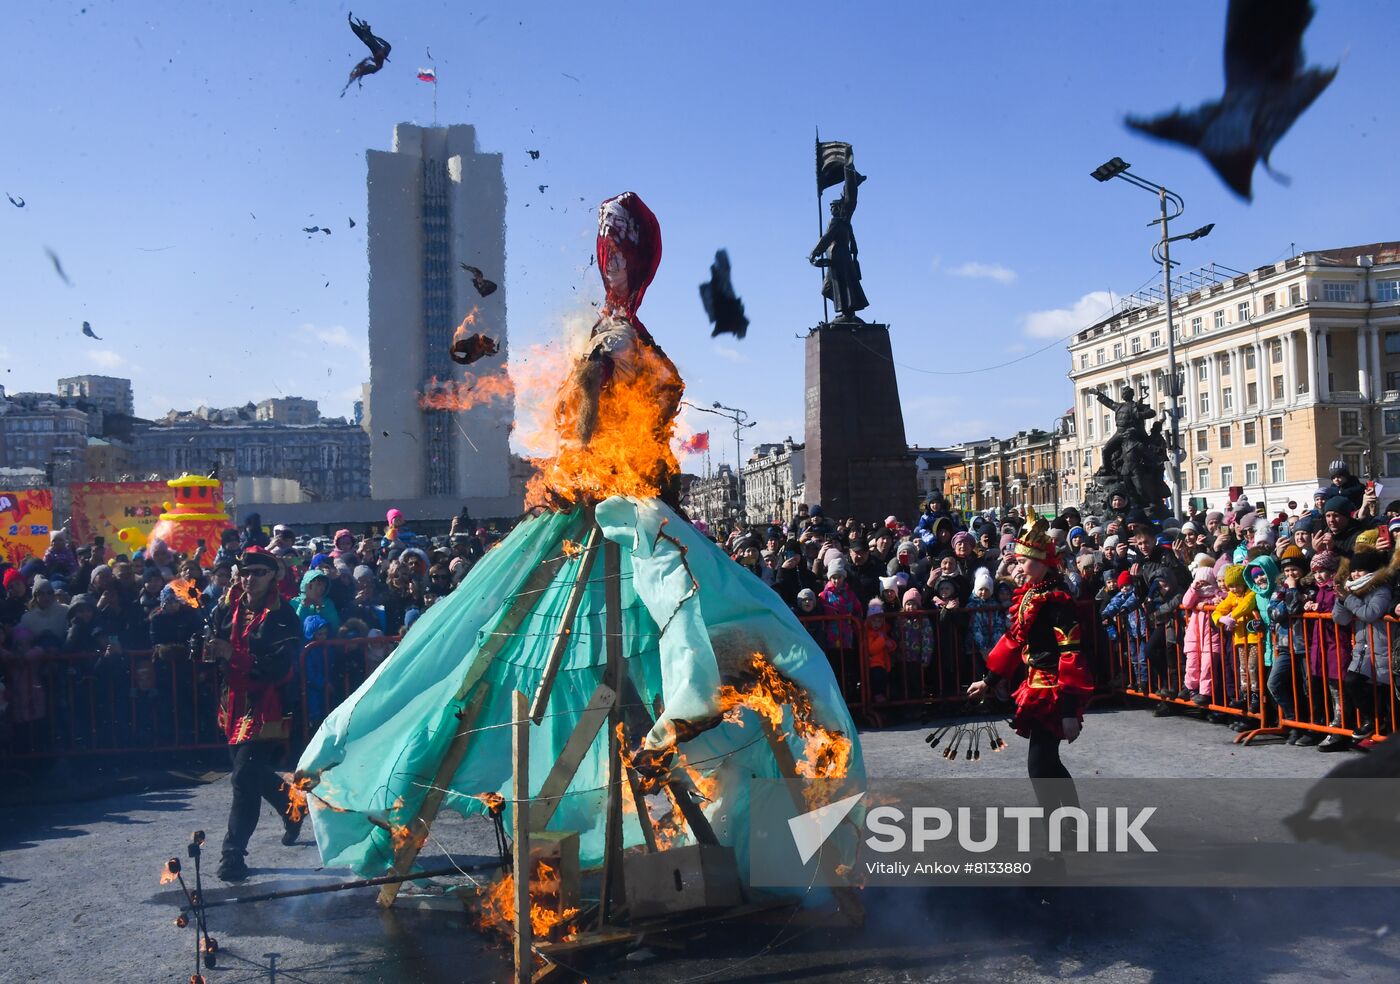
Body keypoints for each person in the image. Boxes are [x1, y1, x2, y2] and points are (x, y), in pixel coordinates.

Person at [967, 516, 1093, 788]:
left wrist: (1069, 711)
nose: (1019, 566)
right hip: (1035, 683)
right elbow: (1013, 641)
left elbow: (1071, 655)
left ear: (1041, 563)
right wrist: (988, 681)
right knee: (1045, 765)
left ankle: (1066, 825)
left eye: (1024, 561)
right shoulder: (1031, 594)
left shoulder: (1057, 600)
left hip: (1054, 689)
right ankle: (1066, 825)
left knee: (1041, 765)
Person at [206, 547, 304, 882]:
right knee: (248, 774)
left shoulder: (283, 615)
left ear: (273, 575)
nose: (250, 579)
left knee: (243, 777)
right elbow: (216, 649)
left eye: (259, 573)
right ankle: (291, 804)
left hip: (267, 703)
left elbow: (278, 668)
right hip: (232, 704)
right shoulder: (225, 608)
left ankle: (232, 854)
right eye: (246, 573)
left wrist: (233, 654)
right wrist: (204, 650)